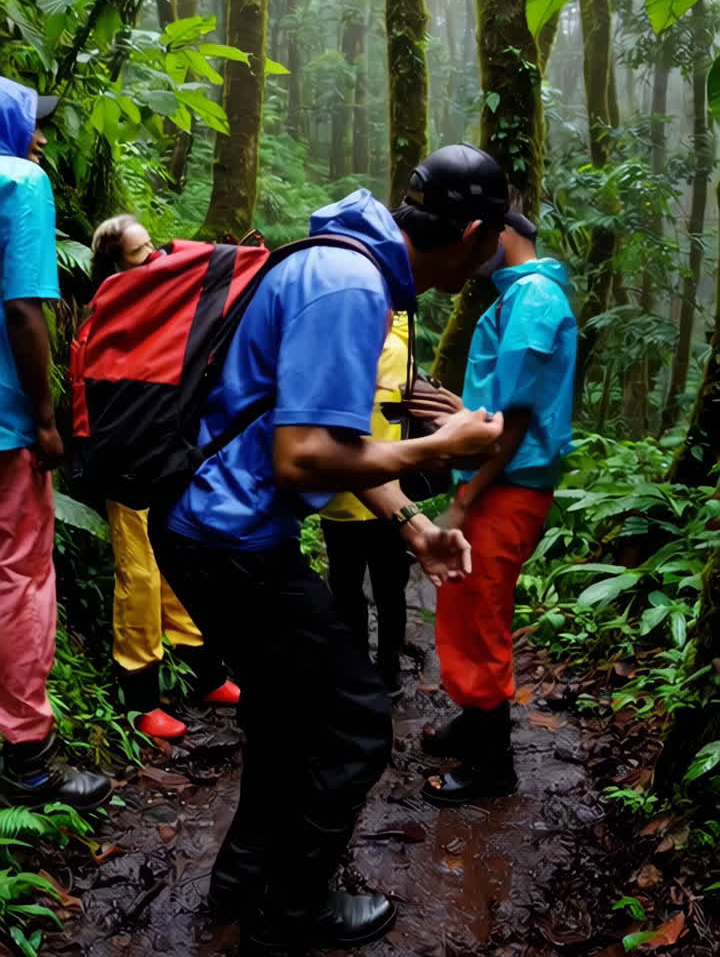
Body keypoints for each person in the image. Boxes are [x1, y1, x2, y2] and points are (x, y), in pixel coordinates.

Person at [148, 143, 510, 951]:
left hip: (216, 528)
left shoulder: (343, 267)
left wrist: (413, 525)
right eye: (487, 249)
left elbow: (327, 440)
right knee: (352, 719)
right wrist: (435, 449)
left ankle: (243, 880)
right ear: (476, 233)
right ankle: (294, 907)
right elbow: (302, 456)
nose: (481, 268)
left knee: (283, 715)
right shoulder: (350, 285)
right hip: (227, 537)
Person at [417, 210, 578, 809]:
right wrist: (456, 409)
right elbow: (505, 402)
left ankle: (493, 763)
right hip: (500, 476)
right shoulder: (520, 294)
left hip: (504, 485)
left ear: (500, 234)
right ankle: (474, 724)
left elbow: (517, 420)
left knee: (479, 615)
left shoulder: (533, 297)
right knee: (465, 604)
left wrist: (462, 501)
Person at [0, 78, 111, 810]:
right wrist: (46, 418)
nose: (42, 138)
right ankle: (26, 755)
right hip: (8, 426)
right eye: (32, 124)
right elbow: (26, 311)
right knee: (21, 576)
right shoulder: (19, 182)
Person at [90, 215, 240, 740]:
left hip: (167, 454)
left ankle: (203, 674)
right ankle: (140, 696)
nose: (154, 258)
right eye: (139, 253)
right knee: (140, 575)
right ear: (115, 266)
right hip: (126, 461)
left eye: (152, 246)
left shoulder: (166, 300)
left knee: (178, 563)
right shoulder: (109, 309)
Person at [320, 312, 412, 700]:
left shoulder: (334, 351)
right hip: (384, 497)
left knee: (349, 588)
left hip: (347, 498)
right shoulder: (398, 350)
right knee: (386, 589)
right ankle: (385, 670)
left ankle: (364, 670)